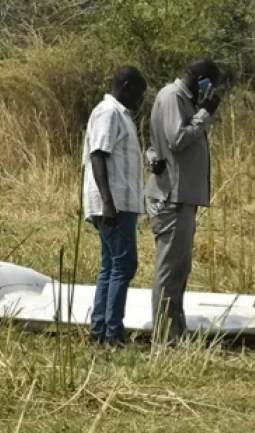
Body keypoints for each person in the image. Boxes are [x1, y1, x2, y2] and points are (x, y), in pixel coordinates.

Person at [144, 58, 222, 347]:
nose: (212, 90)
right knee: (169, 272)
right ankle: (165, 339)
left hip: (180, 196)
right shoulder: (174, 96)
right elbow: (177, 139)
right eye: (211, 82)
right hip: (172, 198)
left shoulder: (179, 98)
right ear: (200, 77)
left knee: (178, 270)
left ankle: (175, 333)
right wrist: (205, 113)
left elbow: (156, 145)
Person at [81, 65, 147, 348]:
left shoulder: (121, 115)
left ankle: (101, 331)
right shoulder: (109, 113)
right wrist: (108, 201)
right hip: (114, 204)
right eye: (140, 94)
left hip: (121, 202)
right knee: (124, 264)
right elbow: (98, 155)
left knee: (110, 265)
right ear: (127, 85)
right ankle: (112, 334)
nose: (141, 101)